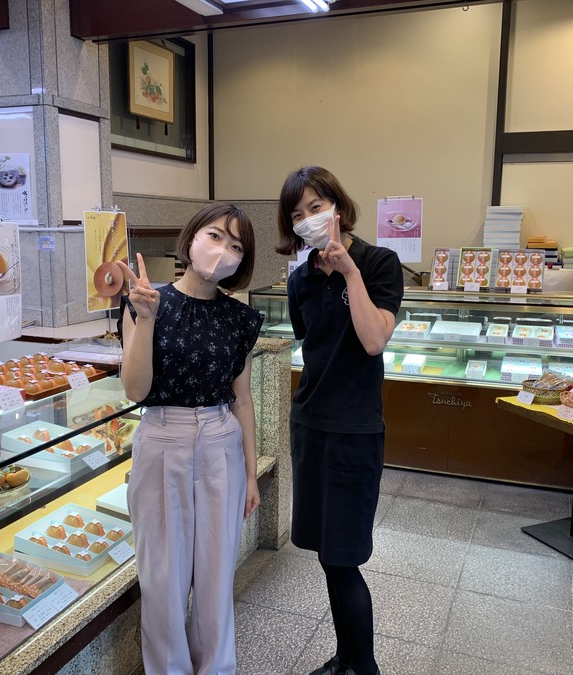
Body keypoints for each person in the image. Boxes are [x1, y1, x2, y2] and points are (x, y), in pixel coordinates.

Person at [118, 203, 263, 675]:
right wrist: (145, 319)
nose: (222, 251)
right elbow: (135, 390)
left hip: (221, 437)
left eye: (235, 246)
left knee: (217, 575)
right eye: (215, 236)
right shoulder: (145, 300)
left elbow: (242, 399)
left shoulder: (240, 318)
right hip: (163, 435)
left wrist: (251, 473)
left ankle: (216, 668)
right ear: (193, 236)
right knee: (162, 577)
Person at [276, 166, 404, 675]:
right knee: (327, 555)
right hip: (310, 424)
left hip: (355, 429)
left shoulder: (378, 262)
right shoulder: (301, 279)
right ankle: (345, 659)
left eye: (315, 207)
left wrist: (350, 273)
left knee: (344, 557)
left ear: (338, 206)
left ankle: (363, 668)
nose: (308, 219)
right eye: (298, 214)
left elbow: (373, 340)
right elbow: (309, 342)